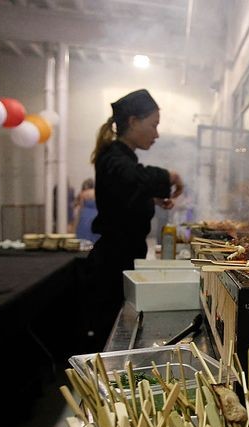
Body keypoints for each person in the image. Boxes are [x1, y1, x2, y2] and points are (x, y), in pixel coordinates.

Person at [87, 89, 184, 344]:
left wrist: (150, 198)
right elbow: (132, 177)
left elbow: (124, 192)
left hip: (123, 258)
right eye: (153, 125)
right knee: (108, 335)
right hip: (112, 263)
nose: (157, 134)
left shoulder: (121, 157)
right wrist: (169, 176)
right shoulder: (113, 156)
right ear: (133, 121)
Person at [71, 178, 100, 243]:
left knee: (84, 230)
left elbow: (81, 206)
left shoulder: (83, 193)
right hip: (96, 213)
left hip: (85, 214)